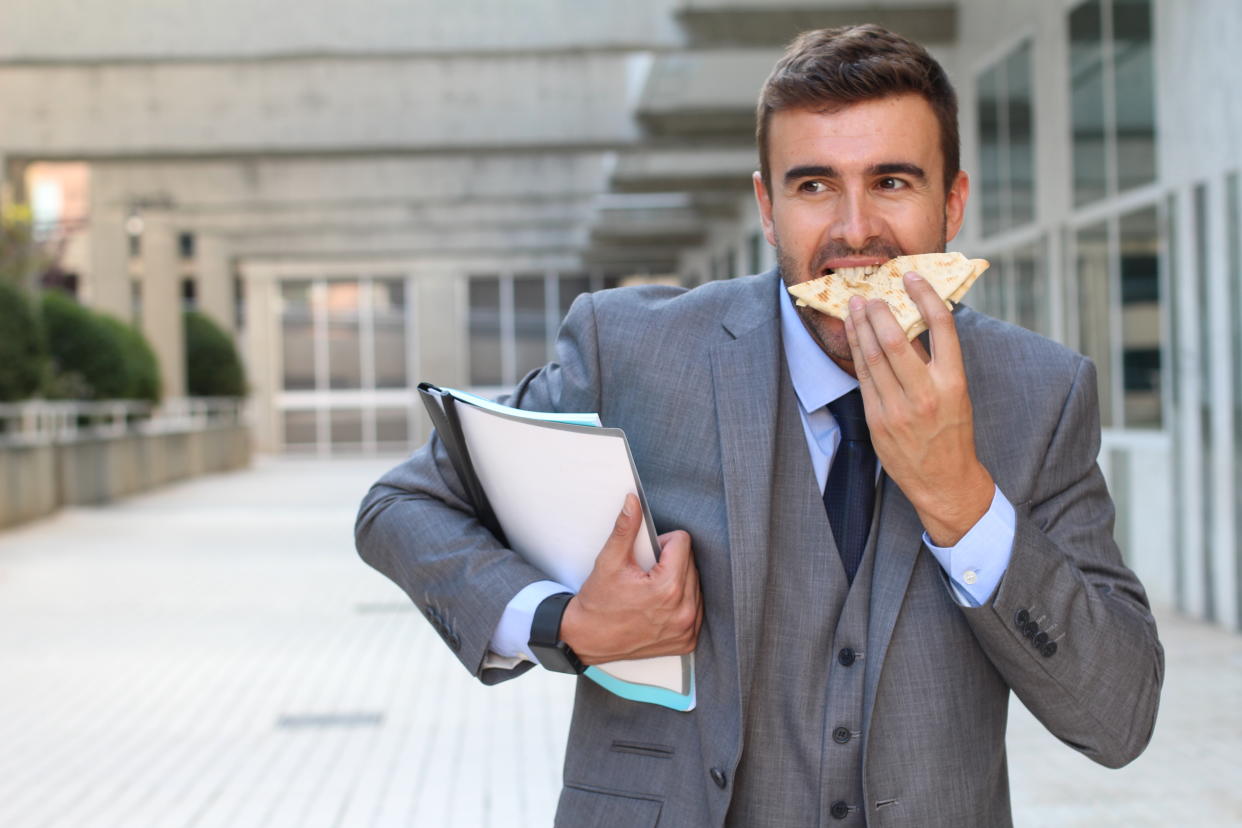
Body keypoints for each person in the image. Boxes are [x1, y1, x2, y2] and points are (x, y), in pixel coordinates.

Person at [355, 24, 1163, 827]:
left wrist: (964, 503)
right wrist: (562, 621)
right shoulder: (635, 350)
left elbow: (1118, 717)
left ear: (952, 201)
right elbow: (402, 507)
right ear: (767, 208)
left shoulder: (1040, 393)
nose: (854, 233)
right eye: (814, 186)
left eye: (891, 182)